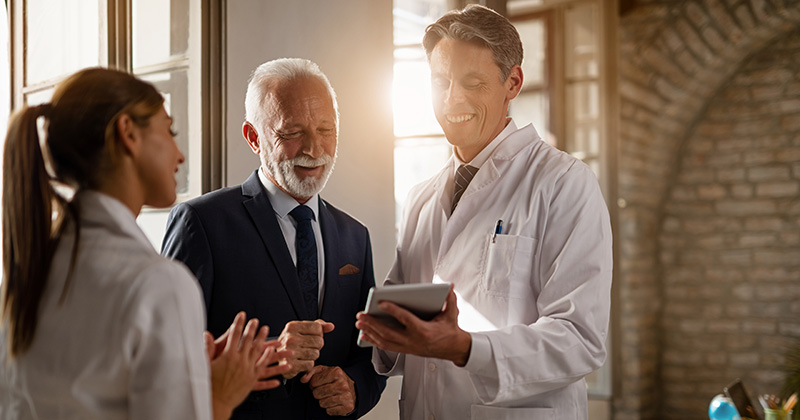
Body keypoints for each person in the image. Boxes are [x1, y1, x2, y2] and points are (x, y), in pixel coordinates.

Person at [355, 5, 613, 420]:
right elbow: (401, 336)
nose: (452, 99)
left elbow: (580, 339)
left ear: (513, 82)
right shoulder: (423, 198)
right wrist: (370, 331)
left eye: (473, 83)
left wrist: (465, 348)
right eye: (440, 82)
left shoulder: (564, 183)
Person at [0, 68, 292, 420]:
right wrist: (220, 398)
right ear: (127, 133)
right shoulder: (158, 285)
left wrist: (186, 371)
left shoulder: (21, 279)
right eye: (169, 131)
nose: (179, 155)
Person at [161, 58, 386, 419]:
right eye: (292, 132)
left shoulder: (354, 235)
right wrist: (271, 354)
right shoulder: (201, 223)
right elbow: (165, 357)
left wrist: (354, 387)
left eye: (326, 129)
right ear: (254, 138)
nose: (315, 149)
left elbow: (370, 354)